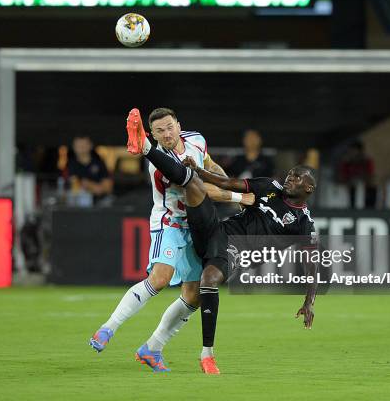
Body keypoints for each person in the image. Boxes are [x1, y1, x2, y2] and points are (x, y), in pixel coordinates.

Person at [125, 108, 318, 375]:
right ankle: (146, 146)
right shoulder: (268, 187)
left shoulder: (303, 224)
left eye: (297, 178)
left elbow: (312, 265)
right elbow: (227, 183)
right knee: (191, 183)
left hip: (233, 253)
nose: (290, 177)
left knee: (201, 289)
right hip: (215, 230)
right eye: (291, 173)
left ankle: (196, 353)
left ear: (308, 190)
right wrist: (200, 172)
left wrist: (309, 301)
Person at [89, 108, 254, 372]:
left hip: (195, 227)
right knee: (160, 278)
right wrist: (239, 197)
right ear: (153, 137)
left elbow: (208, 165)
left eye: (170, 127)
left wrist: (229, 183)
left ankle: (152, 348)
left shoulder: (196, 139)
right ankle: (108, 328)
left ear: (179, 125)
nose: (167, 134)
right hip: (170, 223)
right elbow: (199, 188)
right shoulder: (158, 163)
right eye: (159, 131)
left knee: (194, 295)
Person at [67, 136, 113, 205]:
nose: (81, 148)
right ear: (74, 147)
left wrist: (91, 185)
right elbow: (74, 184)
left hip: (101, 201)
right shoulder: (71, 164)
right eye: (78, 146)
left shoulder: (99, 163)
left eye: (84, 145)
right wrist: (92, 186)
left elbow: (108, 187)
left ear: (90, 146)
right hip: (79, 202)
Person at [337, 140, 376, 208]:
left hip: (365, 191)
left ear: (360, 151)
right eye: (350, 151)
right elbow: (341, 178)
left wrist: (361, 178)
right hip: (349, 191)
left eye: (354, 150)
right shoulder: (346, 163)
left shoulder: (366, 162)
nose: (351, 153)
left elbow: (371, 177)